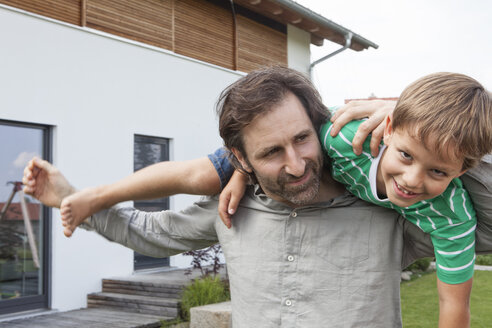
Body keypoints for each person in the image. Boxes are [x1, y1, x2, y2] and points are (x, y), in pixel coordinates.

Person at [21, 67, 490, 327]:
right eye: (270, 152)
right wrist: (72, 199)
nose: (295, 164)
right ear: (239, 159)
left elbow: (482, 216)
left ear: (318, 128)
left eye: (302, 140)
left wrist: (404, 111)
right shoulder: (231, 206)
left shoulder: (392, 204)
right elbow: (150, 233)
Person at [219, 72, 492, 327]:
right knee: (205, 173)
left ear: (463, 171)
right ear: (388, 128)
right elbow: (280, 137)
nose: (411, 180)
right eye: (406, 155)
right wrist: (242, 174)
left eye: (437, 171)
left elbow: (454, 303)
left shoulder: (453, 218)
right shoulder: (344, 138)